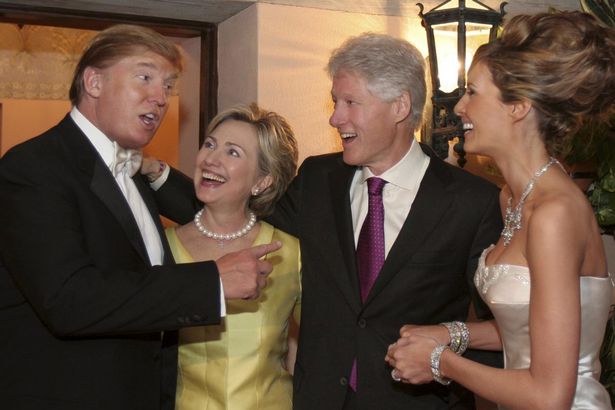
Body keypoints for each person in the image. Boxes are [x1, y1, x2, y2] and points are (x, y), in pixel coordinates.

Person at [150, 32, 504, 409]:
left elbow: (501, 332)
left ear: (400, 106)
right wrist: (154, 174)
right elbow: (235, 214)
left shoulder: (472, 202)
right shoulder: (319, 178)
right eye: (336, 102)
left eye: (351, 102)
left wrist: (444, 355)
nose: (336, 118)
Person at [0, 24, 279, 410]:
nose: (161, 98)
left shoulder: (135, 176)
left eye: (167, 85)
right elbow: (69, 300)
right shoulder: (34, 167)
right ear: (94, 82)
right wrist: (211, 281)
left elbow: (215, 213)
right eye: (144, 77)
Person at [385, 11, 615, 409]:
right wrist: (451, 333)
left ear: (518, 107)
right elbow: (529, 327)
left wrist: (441, 361)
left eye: (472, 92)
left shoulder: (554, 213)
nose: (458, 107)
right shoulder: (511, 197)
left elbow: (549, 396)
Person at [164, 103, 301, 410]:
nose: (211, 159)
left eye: (233, 152)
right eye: (209, 145)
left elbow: (314, 346)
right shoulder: (160, 248)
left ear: (262, 180)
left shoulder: (291, 253)